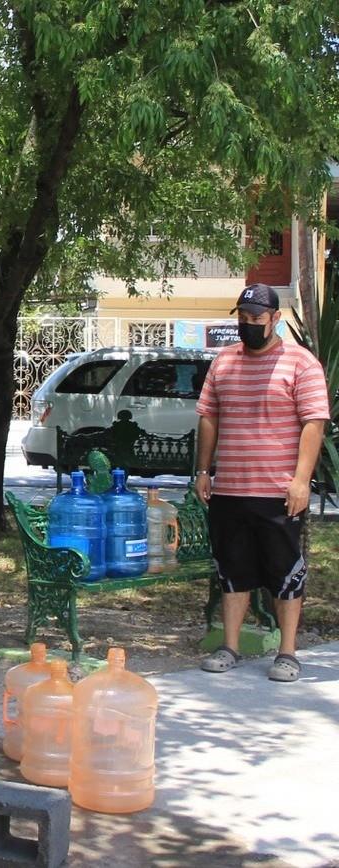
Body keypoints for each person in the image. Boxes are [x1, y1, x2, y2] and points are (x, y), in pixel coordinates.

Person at [195, 284, 329, 683]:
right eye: (243, 317)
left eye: (256, 318)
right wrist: (204, 470)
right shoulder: (224, 363)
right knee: (232, 569)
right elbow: (208, 416)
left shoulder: (301, 364)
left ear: (275, 319)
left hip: (278, 491)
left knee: (284, 571)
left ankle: (287, 652)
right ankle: (229, 645)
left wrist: (301, 481)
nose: (248, 325)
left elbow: (314, 423)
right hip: (231, 488)